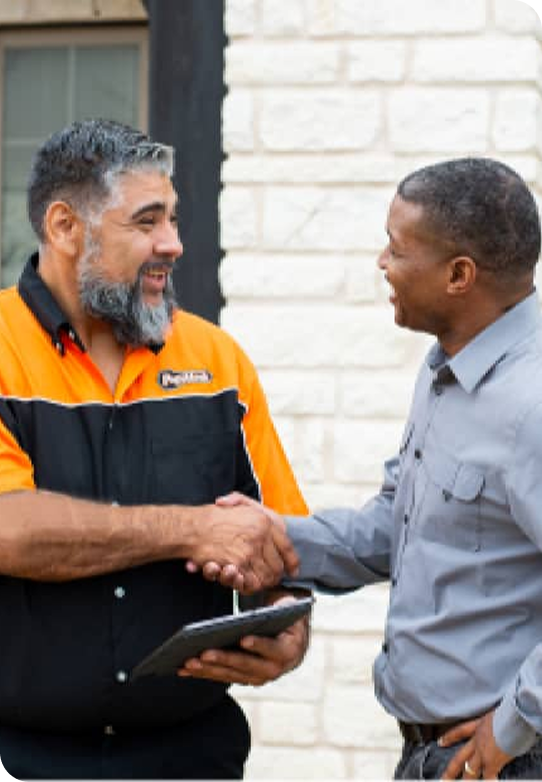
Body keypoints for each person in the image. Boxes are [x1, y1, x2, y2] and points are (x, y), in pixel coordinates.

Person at [202, 158, 542, 779]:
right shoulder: (447, 368)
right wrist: (270, 534)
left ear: (459, 275)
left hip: (502, 760)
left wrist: (516, 725)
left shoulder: (530, 403)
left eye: (396, 249)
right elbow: (396, 527)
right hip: (429, 751)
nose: (382, 264)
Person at [0, 118, 309, 780]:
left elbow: (282, 542)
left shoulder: (217, 359)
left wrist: (285, 625)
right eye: (147, 222)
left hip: (192, 756)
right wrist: (192, 530)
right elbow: (10, 530)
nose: (173, 243)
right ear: (64, 228)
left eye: (171, 219)